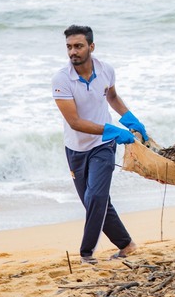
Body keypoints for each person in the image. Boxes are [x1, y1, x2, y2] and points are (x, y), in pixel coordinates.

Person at [52, 25, 147, 264]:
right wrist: (111, 129)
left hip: (103, 145)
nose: (73, 52)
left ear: (91, 47)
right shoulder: (62, 80)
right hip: (75, 148)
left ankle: (86, 253)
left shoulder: (106, 71)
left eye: (78, 46)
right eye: (69, 47)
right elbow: (74, 122)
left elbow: (111, 96)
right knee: (95, 200)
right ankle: (126, 245)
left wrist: (129, 119)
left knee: (96, 196)